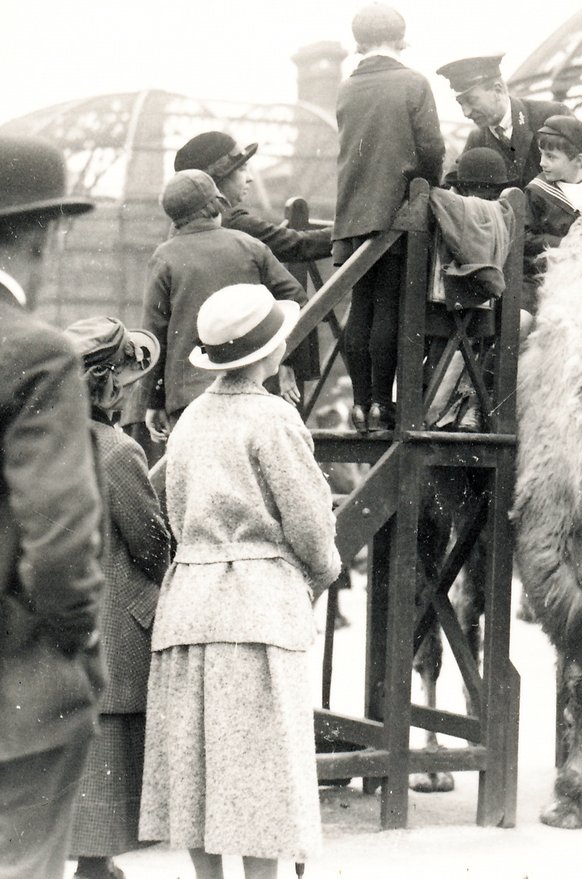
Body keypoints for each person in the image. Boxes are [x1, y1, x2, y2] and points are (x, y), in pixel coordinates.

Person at [139, 284, 341, 879]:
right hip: (255, 609)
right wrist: (323, 570)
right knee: (261, 771)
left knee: (197, 767)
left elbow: (170, 511)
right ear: (267, 353)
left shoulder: (190, 420)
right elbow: (308, 523)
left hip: (188, 608)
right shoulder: (274, 419)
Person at [0, 133, 106, 879]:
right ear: (41, 232)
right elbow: (62, 541)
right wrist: (77, 650)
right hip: (18, 696)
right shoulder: (37, 352)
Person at [63, 318, 171, 879]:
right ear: (104, 386)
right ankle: (94, 866)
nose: (130, 390)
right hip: (110, 631)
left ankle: (87, 863)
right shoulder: (117, 451)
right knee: (106, 751)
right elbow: (154, 546)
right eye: (123, 382)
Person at [334, 3, 445, 433]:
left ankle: (361, 405)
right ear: (402, 40)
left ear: (359, 42)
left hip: (352, 215)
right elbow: (431, 148)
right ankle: (383, 402)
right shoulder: (413, 83)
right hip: (397, 213)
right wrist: (425, 187)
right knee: (389, 308)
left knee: (359, 307)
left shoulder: (347, 87)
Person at [140, 170, 306, 445]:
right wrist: (281, 354)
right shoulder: (250, 246)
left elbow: (154, 333)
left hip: (188, 397)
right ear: (217, 204)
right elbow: (296, 298)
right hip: (252, 387)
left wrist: (154, 399)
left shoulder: (165, 256)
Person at [174, 131, 333, 264]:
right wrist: (345, 233)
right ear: (220, 176)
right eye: (242, 169)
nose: (250, 178)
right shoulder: (232, 222)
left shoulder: (181, 224)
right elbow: (298, 245)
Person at [522, 115, 582, 315]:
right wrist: (566, 244)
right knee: (524, 322)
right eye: (541, 154)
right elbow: (525, 238)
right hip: (541, 278)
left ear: (578, 160)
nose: (542, 163)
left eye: (551, 157)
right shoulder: (538, 191)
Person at [437, 53, 570, 190]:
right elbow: (451, 182)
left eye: (471, 101)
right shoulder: (476, 139)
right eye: (461, 104)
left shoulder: (551, 116)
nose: (466, 113)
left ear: (497, 89)